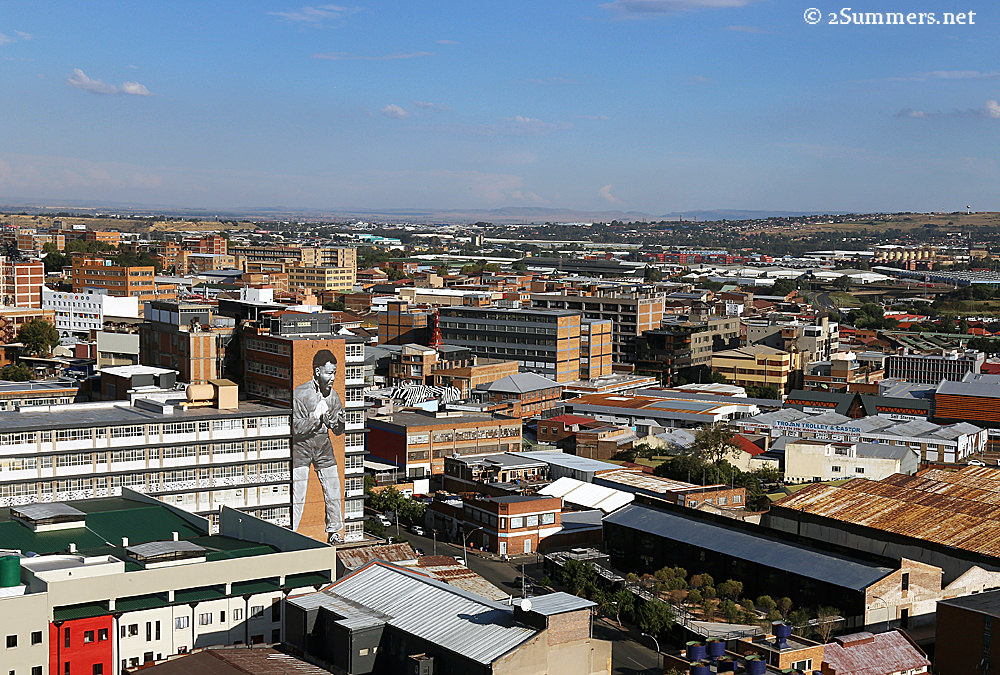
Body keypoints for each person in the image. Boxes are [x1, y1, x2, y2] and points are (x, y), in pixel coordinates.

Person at [292, 349, 345, 543]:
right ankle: (292, 530)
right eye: (328, 373)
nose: (332, 378)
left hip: (323, 445)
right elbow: (296, 428)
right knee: (298, 492)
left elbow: (339, 430)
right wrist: (315, 419)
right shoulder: (300, 393)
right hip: (302, 447)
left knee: (333, 489)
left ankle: (334, 532)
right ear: (317, 372)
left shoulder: (334, 396)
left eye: (334, 373)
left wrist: (336, 422)